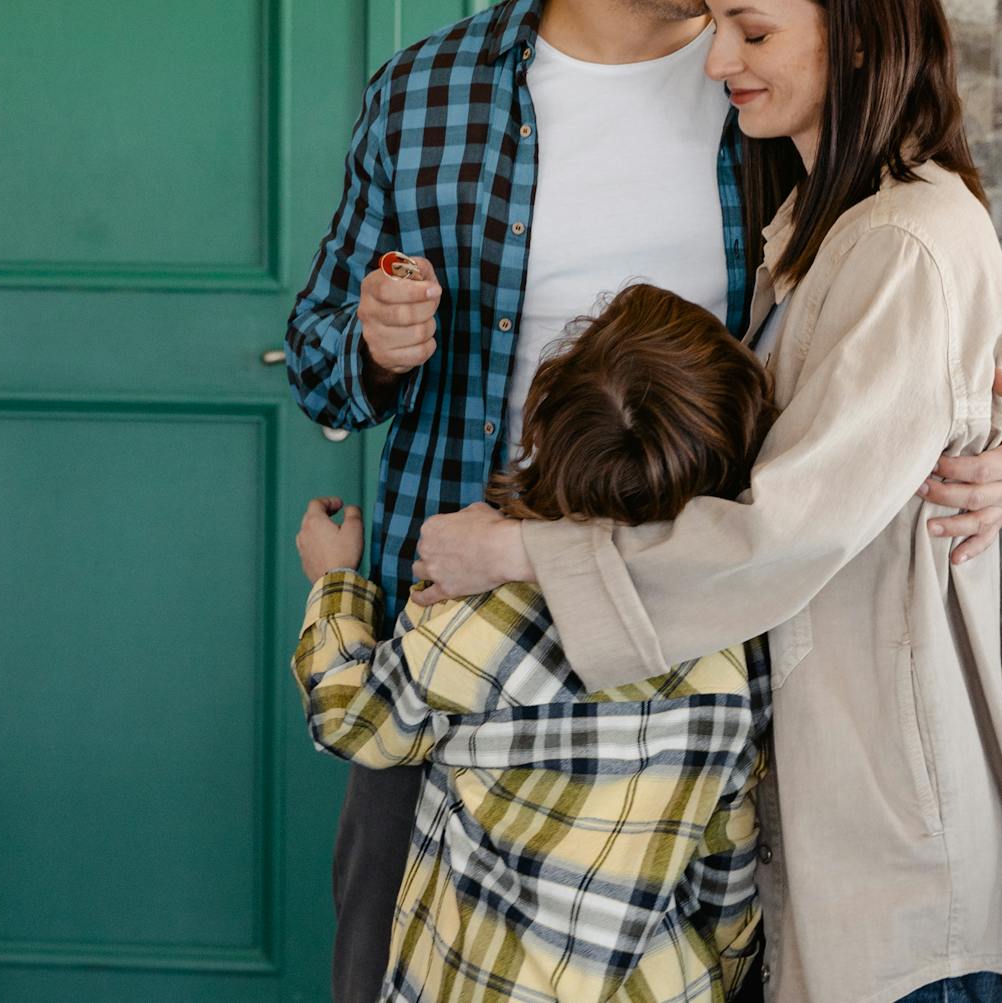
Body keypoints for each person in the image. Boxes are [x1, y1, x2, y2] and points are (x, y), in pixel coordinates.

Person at [284, 0, 1002, 1003]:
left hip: (713, 677)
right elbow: (319, 362)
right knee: (406, 962)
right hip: (458, 644)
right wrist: (373, 353)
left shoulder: (779, 82)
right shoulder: (427, 94)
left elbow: (978, 334)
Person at [293, 282, 776, 1003]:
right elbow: (728, 870)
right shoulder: (727, 649)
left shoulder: (482, 615)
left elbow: (350, 715)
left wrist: (334, 581)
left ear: (544, 428)